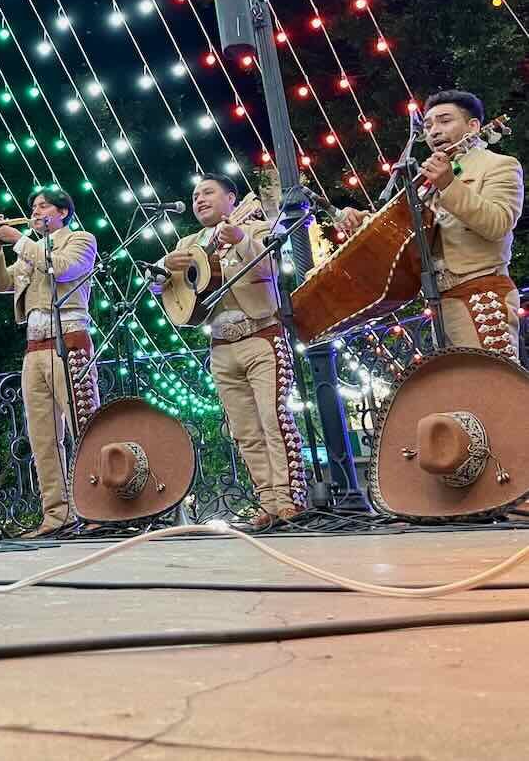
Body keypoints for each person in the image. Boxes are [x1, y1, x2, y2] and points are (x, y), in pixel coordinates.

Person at [156, 174, 306, 529]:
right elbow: (174, 296)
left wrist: (240, 241)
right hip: (221, 345)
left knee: (275, 420)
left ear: (232, 199)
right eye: (195, 195)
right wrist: (162, 274)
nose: (199, 199)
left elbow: (271, 268)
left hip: (261, 335)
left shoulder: (254, 226)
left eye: (208, 192)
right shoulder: (189, 242)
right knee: (243, 430)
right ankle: (267, 502)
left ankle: (290, 500)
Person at [337, 90, 522, 357]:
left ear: (473, 126)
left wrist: (449, 184)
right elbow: (409, 231)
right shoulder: (425, 180)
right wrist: (365, 223)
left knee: (492, 390)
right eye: (428, 125)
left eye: (445, 121)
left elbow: (498, 224)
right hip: (438, 299)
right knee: (460, 395)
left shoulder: (499, 165)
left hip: (480, 292)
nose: (434, 130)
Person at [0, 189, 100, 538]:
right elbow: (1, 284)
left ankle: (97, 507)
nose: (35, 211)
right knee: (43, 438)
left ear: (63, 211)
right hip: (34, 348)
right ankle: (57, 514)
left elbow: (62, 270)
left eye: (43, 205)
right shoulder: (29, 250)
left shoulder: (80, 239)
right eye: (33, 206)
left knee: (84, 426)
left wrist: (18, 239)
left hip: (70, 339)